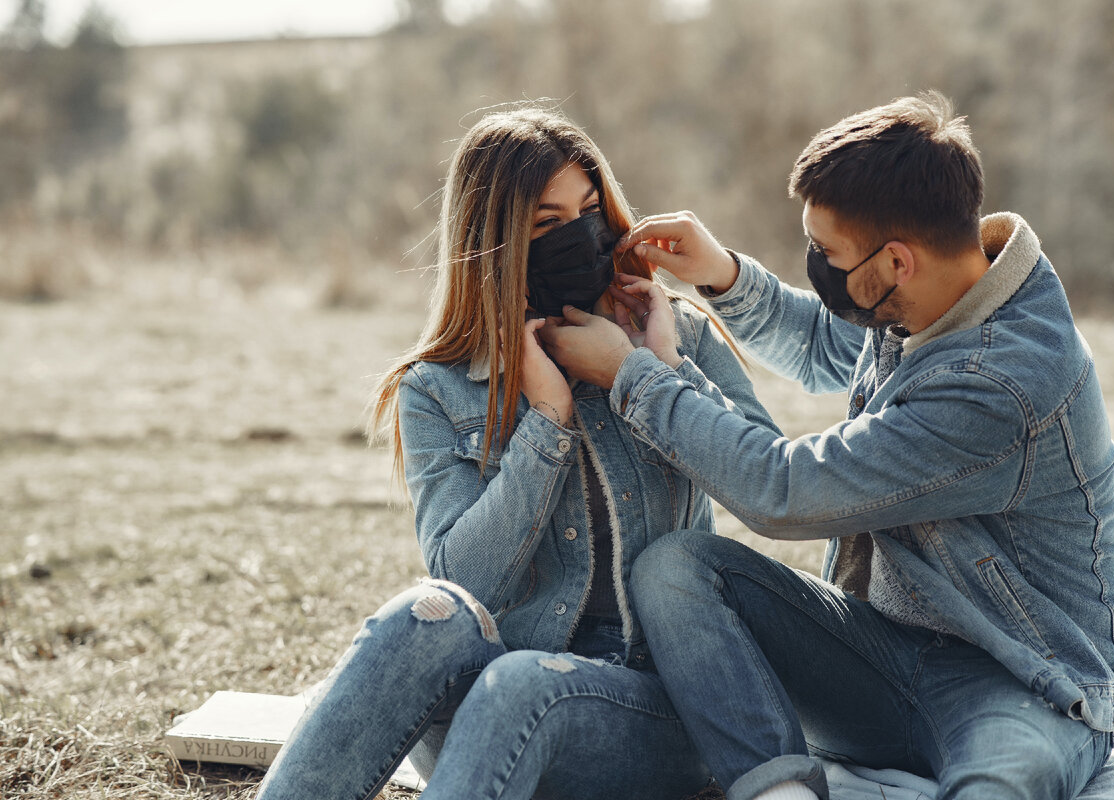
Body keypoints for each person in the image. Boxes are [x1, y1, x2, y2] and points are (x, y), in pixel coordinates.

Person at [540, 91, 1114, 800]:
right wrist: (722, 274)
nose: (815, 265)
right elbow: (830, 347)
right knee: (675, 568)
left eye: (825, 253)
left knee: (1001, 784)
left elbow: (784, 493)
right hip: (883, 656)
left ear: (895, 262)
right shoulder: (943, 291)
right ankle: (778, 791)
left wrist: (630, 376)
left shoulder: (1001, 385)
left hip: (1024, 679)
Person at [253, 106, 778, 800]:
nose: (583, 238)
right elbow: (466, 578)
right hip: (494, 716)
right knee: (425, 610)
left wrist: (653, 371)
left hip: (650, 710)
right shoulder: (436, 388)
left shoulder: (669, 332)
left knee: (521, 682)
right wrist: (549, 420)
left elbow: (767, 477)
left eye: (591, 211)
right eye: (547, 226)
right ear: (495, 245)